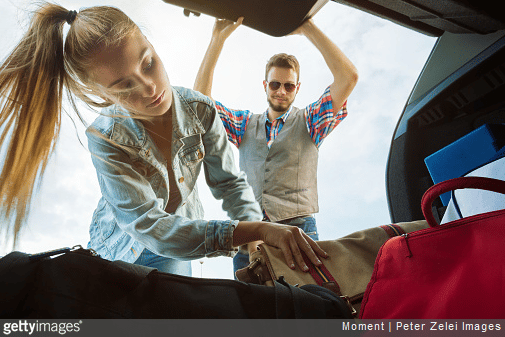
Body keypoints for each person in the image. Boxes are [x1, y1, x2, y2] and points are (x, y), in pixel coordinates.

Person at [0, 3, 327, 276]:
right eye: (124, 86)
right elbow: (152, 229)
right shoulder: (105, 139)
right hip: (121, 254)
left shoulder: (199, 110)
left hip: (181, 246)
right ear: (102, 96)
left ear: (151, 45)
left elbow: (228, 182)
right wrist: (253, 231)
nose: (150, 88)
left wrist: (256, 242)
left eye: (148, 62)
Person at [194, 17, 358, 273]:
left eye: (288, 85)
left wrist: (307, 27)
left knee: (303, 303)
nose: (281, 91)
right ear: (265, 85)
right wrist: (217, 39)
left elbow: (348, 77)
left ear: (296, 89)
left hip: (297, 228)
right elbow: (200, 103)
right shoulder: (244, 124)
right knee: (252, 306)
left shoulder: (310, 121)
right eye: (275, 84)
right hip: (249, 234)